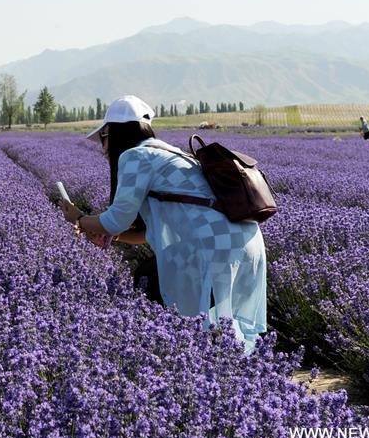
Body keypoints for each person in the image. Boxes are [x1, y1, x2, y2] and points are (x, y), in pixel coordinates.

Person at [60, 95, 267, 352]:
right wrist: (107, 234)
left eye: (102, 140)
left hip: (216, 249)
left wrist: (79, 218)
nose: (103, 149)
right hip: (246, 242)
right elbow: (147, 233)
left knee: (151, 283)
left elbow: (116, 220)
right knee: (216, 332)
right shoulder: (171, 153)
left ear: (110, 133)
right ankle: (218, 372)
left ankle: (167, 360)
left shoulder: (135, 156)